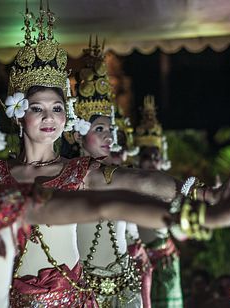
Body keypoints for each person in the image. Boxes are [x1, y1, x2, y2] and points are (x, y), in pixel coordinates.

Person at [0, 3, 230, 307]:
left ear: (66, 117)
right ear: (18, 114)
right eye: (37, 109)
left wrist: (203, 196)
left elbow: (141, 182)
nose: (49, 117)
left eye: (57, 108)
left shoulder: (79, 173)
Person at [65, 37, 149, 308]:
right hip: (83, 292)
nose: (109, 137)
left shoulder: (122, 176)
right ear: (78, 136)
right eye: (99, 129)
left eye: (110, 130)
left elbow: (132, 230)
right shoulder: (66, 181)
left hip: (125, 289)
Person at [134, 96, 184, 308]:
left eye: (156, 156)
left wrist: (176, 221)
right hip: (137, 259)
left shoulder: (171, 188)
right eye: (147, 156)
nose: (152, 161)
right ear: (137, 158)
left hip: (165, 262)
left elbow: (183, 233)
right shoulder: (128, 187)